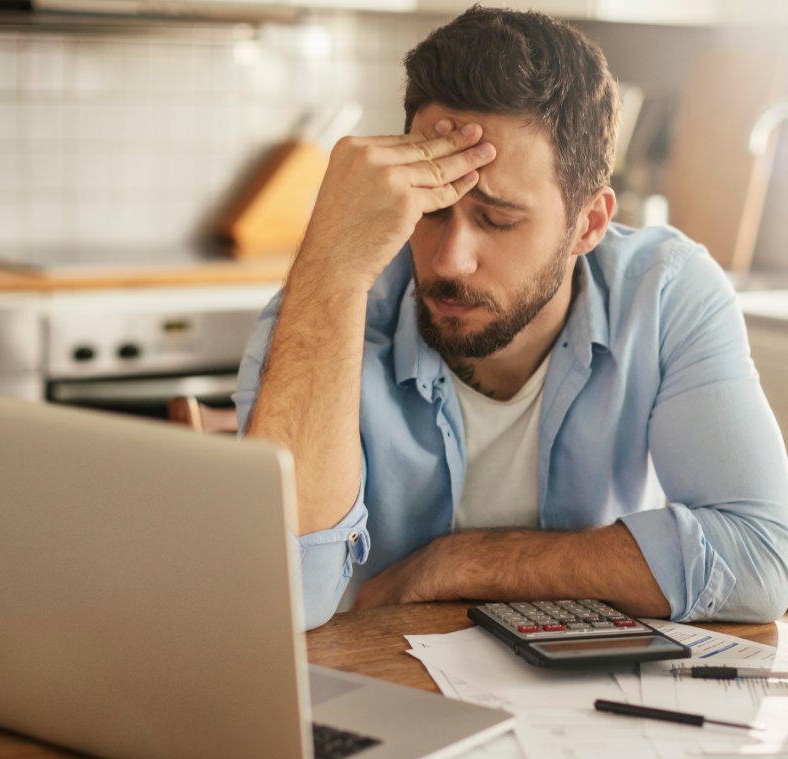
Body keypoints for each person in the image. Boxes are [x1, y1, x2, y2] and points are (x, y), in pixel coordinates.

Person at [234, 5, 788, 630]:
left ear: (589, 224)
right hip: (372, 677)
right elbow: (281, 597)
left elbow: (762, 557)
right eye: (430, 208)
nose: (449, 259)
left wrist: (456, 564)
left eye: (497, 220)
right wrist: (331, 266)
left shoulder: (663, 293)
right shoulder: (325, 303)